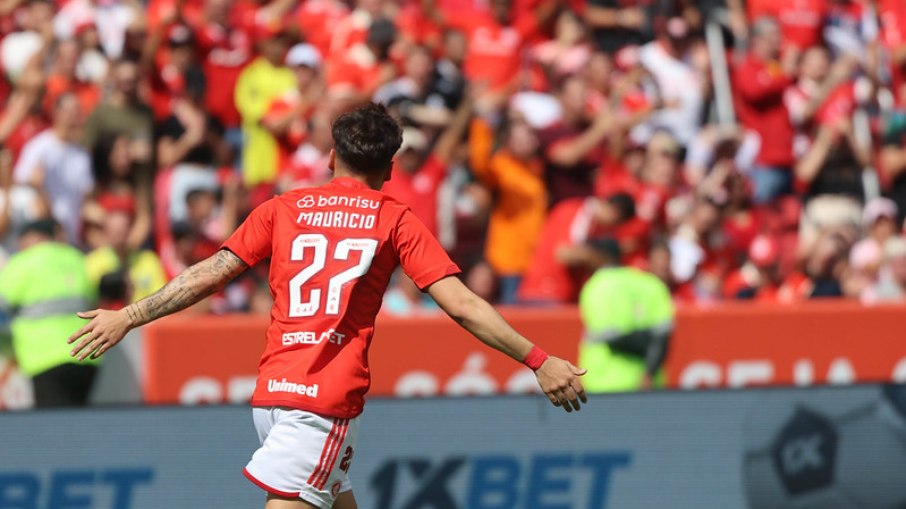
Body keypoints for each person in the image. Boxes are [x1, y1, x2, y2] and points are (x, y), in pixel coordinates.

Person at [68, 103, 586, 509]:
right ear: (388, 169)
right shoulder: (395, 219)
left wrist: (129, 314)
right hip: (319, 403)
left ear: (331, 157)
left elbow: (210, 274)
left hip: (275, 394)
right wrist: (538, 360)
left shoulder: (282, 208)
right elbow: (463, 305)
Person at [0, 218, 97, 407]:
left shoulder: (23, 262)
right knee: (77, 421)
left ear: (33, 238)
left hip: (45, 357)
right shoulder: (77, 259)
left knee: (54, 427)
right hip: (87, 357)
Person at [577, 237, 674, 392]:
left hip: (605, 382)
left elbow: (610, 338)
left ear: (601, 256)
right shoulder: (651, 284)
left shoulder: (597, 286)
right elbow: (663, 337)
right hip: (648, 384)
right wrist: (649, 372)